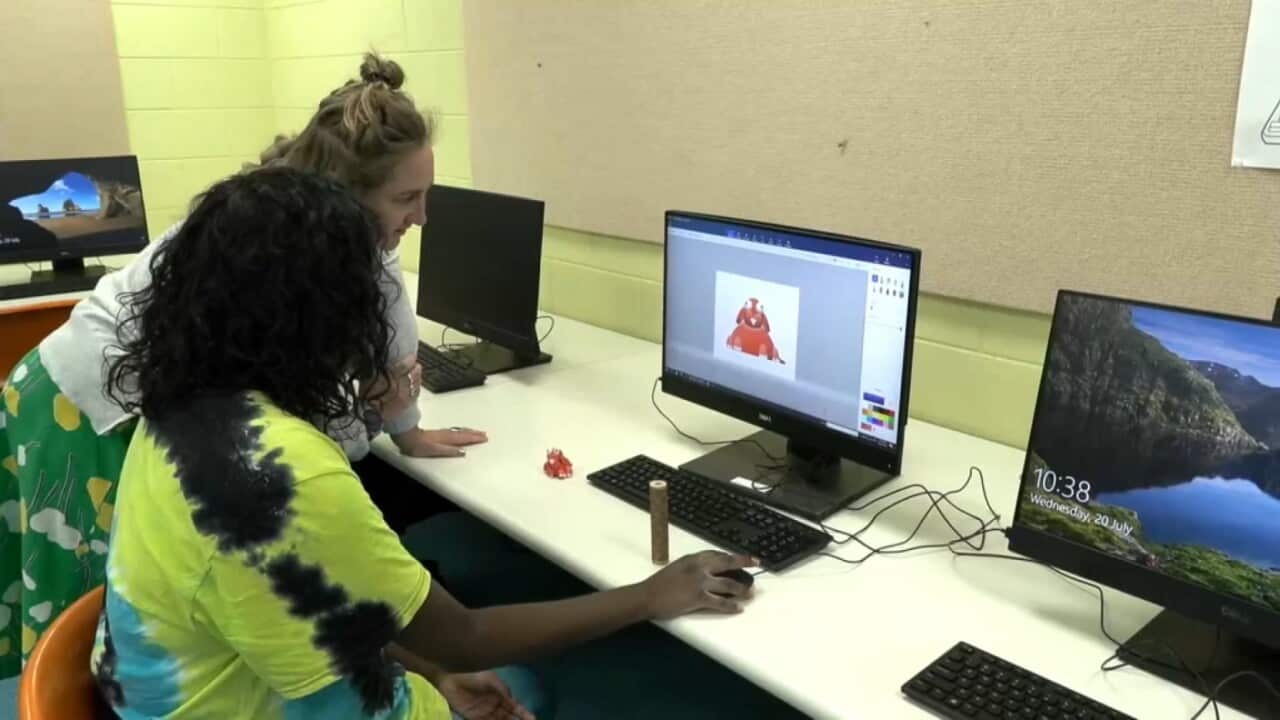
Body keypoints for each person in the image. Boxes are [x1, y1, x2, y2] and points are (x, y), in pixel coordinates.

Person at [89, 165, 756, 718]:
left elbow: (306, 596)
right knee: (533, 686)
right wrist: (649, 595)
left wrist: (426, 666)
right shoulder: (281, 473)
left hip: (195, 688)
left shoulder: (184, 403)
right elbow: (465, 638)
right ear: (321, 311)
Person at [0, 53, 472, 675]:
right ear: (348, 198)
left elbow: (389, 330)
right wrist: (383, 417)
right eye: (407, 197)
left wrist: (406, 429)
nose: (422, 217)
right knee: (92, 627)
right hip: (81, 406)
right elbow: (311, 424)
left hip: (115, 393)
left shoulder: (329, 228)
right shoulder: (286, 245)